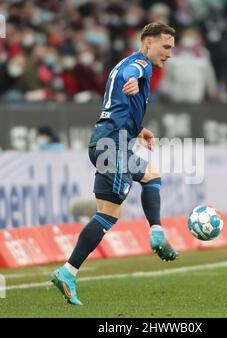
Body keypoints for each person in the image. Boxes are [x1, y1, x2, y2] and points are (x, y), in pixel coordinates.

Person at [51, 22, 178, 305]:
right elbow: (132, 76)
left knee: (150, 175)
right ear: (148, 43)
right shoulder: (139, 66)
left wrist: (138, 128)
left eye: (172, 47)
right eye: (165, 46)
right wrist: (132, 81)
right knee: (107, 215)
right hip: (112, 145)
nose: (169, 53)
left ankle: (156, 231)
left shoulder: (127, 63)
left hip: (109, 141)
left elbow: (119, 104)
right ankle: (68, 271)